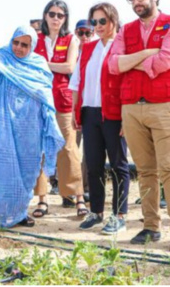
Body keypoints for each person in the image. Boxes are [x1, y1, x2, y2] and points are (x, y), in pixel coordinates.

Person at [108, 0, 170, 251]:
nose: (136, 2)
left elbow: (166, 59)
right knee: (145, 170)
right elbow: (113, 65)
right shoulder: (126, 30)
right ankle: (151, 226)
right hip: (132, 107)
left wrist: (130, 61)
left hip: (164, 105)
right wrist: (144, 54)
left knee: (169, 168)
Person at [0, 25, 64, 228]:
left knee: (27, 173)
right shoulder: (4, 56)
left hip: (29, 128)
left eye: (24, 45)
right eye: (16, 42)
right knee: (0, 172)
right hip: (2, 126)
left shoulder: (39, 64)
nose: (18, 48)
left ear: (32, 46)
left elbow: (45, 93)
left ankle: (19, 213)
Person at [70, 3, 130, 234]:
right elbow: (76, 82)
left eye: (102, 21)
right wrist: (78, 111)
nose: (98, 26)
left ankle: (120, 214)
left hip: (114, 112)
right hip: (90, 111)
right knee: (93, 164)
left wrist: (126, 116)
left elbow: (127, 83)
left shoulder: (122, 46)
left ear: (114, 20)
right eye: (94, 22)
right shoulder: (88, 49)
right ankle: (96, 211)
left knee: (118, 165)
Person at [33, 0, 88, 218]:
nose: (56, 18)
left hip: (62, 100)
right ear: (45, 15)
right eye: (52, 14)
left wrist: (42, 64)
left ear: (65, 18)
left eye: (61, 15)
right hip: (38, 100)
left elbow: (70, 67)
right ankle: (42, 199)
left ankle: (78, 197)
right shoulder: (34, 39)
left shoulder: (70, 39)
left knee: (69, 149)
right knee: (40, 151)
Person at [74, 18, 94, 202]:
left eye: (88, 32)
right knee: (70, 149)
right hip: (72, 107)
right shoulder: (71, 53)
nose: (84, 36)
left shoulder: (96, 52)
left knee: (89, 151)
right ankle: (64, 185)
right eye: (81, 32)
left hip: (89, 107)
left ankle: (85, 187)